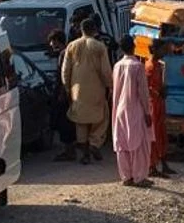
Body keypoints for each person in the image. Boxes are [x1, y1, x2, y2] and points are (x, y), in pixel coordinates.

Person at [61, 19, 113, 165]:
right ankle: (94, 143)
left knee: (80, 123)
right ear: (94, 30)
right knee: (102, 118)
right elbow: (105, 71)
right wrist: (110, 86)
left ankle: (85, 154)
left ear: (81, 30)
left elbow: (65, 71)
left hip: (77, 91)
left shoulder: (71, 46)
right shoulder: (99, 47)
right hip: (97, 90)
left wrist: (67, 88)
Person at [112, 35, 154, 188]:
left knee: (122, 143)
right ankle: (139, 177)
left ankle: (126, 176)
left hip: (120, 109)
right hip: (135, 108)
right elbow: (143, 92)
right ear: (133, 47)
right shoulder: (137, 66)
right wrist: (147, 113)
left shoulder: (117, 66)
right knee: (139, 144)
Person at [146, 39, 175, 178]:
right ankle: (152, 166)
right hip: (154, 104)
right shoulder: (150, 66)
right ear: (156, 50)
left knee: (161, 134)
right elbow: (147, 88)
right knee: (155, 135)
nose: (166, 52)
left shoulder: (158, 65)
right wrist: (159, 93)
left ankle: (163, 163)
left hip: (159, 103)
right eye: (163, 49)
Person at [48, 30, 77, 162]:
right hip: (66, 92)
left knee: (64, 123)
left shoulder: (63, 54)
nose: (51, 44)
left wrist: (62, 92)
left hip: (63, 94)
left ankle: (69, 151)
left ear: (58, 41)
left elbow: (63, 75)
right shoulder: (66, 53)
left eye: (53, 41)